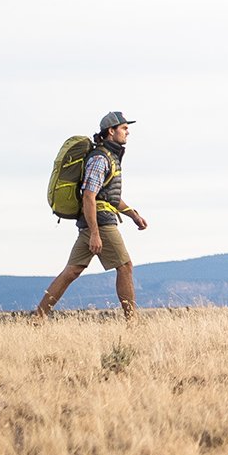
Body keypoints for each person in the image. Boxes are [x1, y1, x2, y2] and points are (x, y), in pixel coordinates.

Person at [35, 112, 149, 322]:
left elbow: (110, 196)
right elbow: (89, 196)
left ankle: (37, 318)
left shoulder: (109, 157)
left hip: (93, 221)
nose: (127, 132)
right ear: (111, 131)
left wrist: (133, 215)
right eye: (124, 128)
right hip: (101, 222)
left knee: (72, 271)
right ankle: (133, 323)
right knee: (125, 266)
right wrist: (96, 233)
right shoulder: (100, 158)